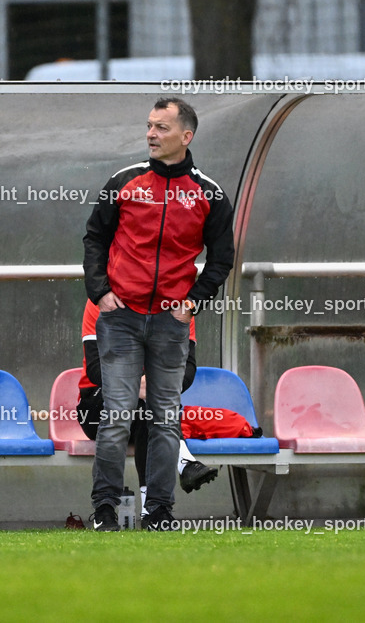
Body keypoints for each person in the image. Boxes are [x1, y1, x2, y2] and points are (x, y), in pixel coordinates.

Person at [83, 98, 234, 531]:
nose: (151, 134)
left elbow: (222, 258)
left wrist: (192, 303)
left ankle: (159, 512)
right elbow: (94, 238)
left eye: (162, 128)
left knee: (167, 418)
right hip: (121, 317)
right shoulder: (123, 182)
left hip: (171, 322)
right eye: (149, 126)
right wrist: (101, 293)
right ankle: (105, 510)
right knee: (116, 416)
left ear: (186, 137)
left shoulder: (209, 193)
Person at [77, 299, 219, 519]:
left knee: (149, 407)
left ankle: (147, 510)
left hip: (149, 406)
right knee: (147, 403)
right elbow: (96, 369)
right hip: (97, 403)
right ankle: (181, 467)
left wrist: (153, 385)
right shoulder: (103, 298)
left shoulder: (180, 302)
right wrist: (139, 384)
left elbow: (188, 369)